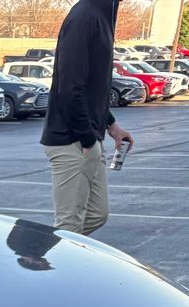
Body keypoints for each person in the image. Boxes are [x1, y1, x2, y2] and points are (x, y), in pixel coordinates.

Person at [40, 0, 135, 235]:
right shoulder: (84, 16)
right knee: (69, 227)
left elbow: (93, 89)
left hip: (91, 137)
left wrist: (111, 125)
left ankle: (56, 254)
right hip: (71, 140)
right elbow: (69, 87)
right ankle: (47, 256)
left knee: (96, 215)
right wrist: (87, 138)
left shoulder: (103, 14)